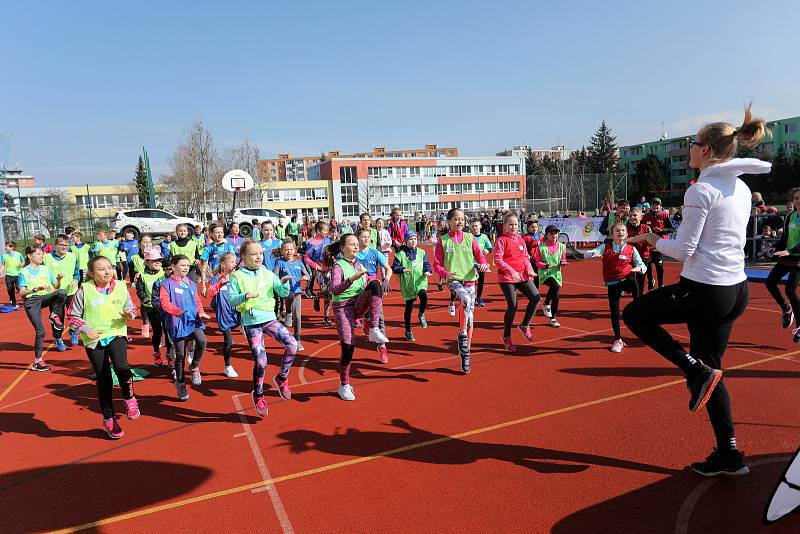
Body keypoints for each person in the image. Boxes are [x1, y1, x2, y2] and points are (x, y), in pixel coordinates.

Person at [623, 105, 770, 476]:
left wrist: (654, 239)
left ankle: (692, 369)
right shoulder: (739, 186)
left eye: (693, 143)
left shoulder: (701, 190)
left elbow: (684, 250)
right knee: (713, 369)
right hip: (735, 290)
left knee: (635, 314)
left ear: (706, 150)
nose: (688, 148)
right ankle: (729, 453)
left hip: (706, 289)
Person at [68, 255, 138, 439]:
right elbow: (72, 316)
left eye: (109, 267)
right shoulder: (85, 290)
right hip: (94, 339)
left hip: (116, 332)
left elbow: (132, 308)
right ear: (91, 273)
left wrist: (130, 315)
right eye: (101, 269)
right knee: (104, 378)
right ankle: (109, 419)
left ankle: (130, 398)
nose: (107, 271)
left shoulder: (121, 287)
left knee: (122, 368)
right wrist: (86, 328)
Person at [227, 240, 296, 417]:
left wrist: (285, 283)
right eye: (253, 254)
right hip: (251, 323)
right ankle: (258, 394)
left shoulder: (267, 273)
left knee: (292, 345)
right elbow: (231, 300)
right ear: (243, 257)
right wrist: (244, 296)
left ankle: (282, 378)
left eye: (260, 253)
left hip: (269, 319)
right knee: (261, 361)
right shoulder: (237, 276)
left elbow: (281, 292)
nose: (258, 256)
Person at [326, 234, 390, 400]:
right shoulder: (338, 266)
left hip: (357, 303)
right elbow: (334, 289)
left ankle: (374, 329)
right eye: (352, 244)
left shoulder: (359, 264)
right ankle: (344, 384)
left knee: (375, 284)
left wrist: (369, 288)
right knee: (348, 347)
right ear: (342, 248)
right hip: (342, 308)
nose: (355, 247)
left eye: (357, 244)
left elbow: (366, 286)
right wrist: (350, 279)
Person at [433, 208, 490, 374]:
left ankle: (466, 354)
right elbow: (437, 264)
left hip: (470, 279)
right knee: (465, 299)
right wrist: (445, 273)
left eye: (462, 219)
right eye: (456, 219)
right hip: (454, 281)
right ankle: (462, 335)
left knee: (471, 318)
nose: (460, 222)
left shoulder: (469, 237)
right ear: (449, 221)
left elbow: (480, 256)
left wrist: (484, 264)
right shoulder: (443, 240)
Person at [585, 221, 645, 352]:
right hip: (613, 282)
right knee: (614, 312)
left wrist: (638, 268)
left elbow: (642, 265)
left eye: (623, 230)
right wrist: (592, 254)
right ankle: (618, 340)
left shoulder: (631, 249)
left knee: (632, 280)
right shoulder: (605, 247)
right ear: (612, 235)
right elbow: (587, 253)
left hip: (628, 280)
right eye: (617, 231)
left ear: (627, 234)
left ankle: (639, 309)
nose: (620, 233)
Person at [160, 254, 210, 401]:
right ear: (174, 266)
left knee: (202, 341)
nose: (186, 268)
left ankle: (194, 366)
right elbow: (164, 302)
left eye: (187, 265)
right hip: (177, 323)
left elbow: (197, 300)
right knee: (180, 355)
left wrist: (201, 312)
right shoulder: (166, 284)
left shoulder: (191, 283)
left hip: (193, 320)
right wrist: (176, 311)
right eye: (182, 265)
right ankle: (181, 383)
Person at [494, 213, 540, 353]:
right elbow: (498, 260)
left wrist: (530, 270)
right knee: (513, 306)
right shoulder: (501, 240)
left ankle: (524, 325)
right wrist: (511, 271)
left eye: (515, 224)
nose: (513, 227)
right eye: (510, 224)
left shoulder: (520, 240)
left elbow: (526, 258)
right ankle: (507, 337)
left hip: (522, 276)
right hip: (507, 278)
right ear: (505, 225)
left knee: (536, 297)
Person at [18, 245, 67, 371]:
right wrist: (34, 289)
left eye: (42, 254)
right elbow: (22, 293)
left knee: (62, 292)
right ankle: (37, 361)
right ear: (29, 256)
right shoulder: (23, 272)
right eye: (38, 254)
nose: (41, 256)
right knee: (41, 331)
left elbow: (55, 286)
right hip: (32, 300)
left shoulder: (45, 269)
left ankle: (54, 315)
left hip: (45, 297)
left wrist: (58, 279)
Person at [765, 187, 800, 341]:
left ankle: (799, 327)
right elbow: (785, 238)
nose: (798, 201)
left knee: (790, 289)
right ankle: (786, 309)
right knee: (770, 282)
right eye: (796, 198)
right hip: (788, 256)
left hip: (798, 258)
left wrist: (791, 251)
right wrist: (775, 249)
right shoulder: (791, 216)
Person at [355, 228, 392, 363]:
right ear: (357, 238)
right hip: (358, 287)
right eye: (363, 237)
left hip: (374, 287)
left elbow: (388, 268)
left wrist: (386, 279)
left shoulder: (375, 253)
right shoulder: (353, 254)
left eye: (368, 237)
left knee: (380, 317)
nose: (366, 239)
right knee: (358, 310)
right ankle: (366, 318)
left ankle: (382, 346)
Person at [204, 252, 240, 377]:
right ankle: (228, 366)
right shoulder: (217, 278)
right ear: (223, 264)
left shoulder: (237, 276)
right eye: (232, 262)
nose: (234, 264)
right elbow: (210, 293)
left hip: (237, 312)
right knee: (228, 340)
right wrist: (220, 284)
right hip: (224, 313)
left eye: (235, 262)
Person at [392, 231, 431, 342]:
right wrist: (402, 269)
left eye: (414, 238)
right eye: (410, 239)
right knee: (409, 307)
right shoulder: (399, 254)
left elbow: (426, 264)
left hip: (420, 281)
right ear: (406, 241)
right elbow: (395, 267)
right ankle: (408, 330)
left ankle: (421, 314)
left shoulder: (422, 252)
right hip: (408, 284)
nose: (413, 241)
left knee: (423, 295)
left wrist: (427, 271)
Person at [44, 234, 81, 349]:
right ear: (55, 245)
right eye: (61, 245)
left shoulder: (72, 256)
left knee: (75, 315)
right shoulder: (47, 258)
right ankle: (58, 338)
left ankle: (73, 331)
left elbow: (76, 273)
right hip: (55, 294)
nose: (64, 247)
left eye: (66, 245)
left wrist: (75, 280)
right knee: (57, 317)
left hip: (71, 292)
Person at [274, 239, 310, 352]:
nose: (288, 251)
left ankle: (298, 340)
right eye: (286, 250)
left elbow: (307, 275)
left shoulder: (299, 262)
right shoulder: (279, 262)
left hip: (297, 292)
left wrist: (304, 278)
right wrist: (282, 280)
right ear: (282, 251)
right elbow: (274, 277)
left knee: (298, 317)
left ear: (294, 250)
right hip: (285, 291)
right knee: (288, 297)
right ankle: (288, 311)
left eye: (291, 249)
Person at [135, 248, 169, 366]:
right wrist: (144, 298)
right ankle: (156, 352)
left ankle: (169, 354)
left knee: (168, 331)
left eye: (159, 260)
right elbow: (139, 291)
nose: (158, 262)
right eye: (154, 260)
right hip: (151, 308)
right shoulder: (142, 276)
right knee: (157, 331)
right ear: (147, 262)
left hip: (166, 308)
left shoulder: (164, 274)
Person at [533, 225, 567, 328]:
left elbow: (563, 259)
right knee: (555, 286)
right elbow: (537, 262)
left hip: (556, 273)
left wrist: (563, 263)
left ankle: (553, 318)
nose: (554, 235)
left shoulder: (562, 246)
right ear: (546, 235)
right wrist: (545, 265)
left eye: (555, 233)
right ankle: (547, 302)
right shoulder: (541, 247)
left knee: (556, 296)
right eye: (551, 233)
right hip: (545, 273)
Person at [642, 197, 674, 290]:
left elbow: (671, 229)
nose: (655, 206)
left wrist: (662, 230)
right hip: (648, 245)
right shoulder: (646, 216)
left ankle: (661, 285)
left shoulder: (664, 215)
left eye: (657, 204)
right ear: (650, 205)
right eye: (653, 204)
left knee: (659, 266)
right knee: (648, 265)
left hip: (660, 245)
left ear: (660, 206)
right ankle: (651, 282)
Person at [305, 221, 333, 325]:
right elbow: (307, 258)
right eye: (325, 230)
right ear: (318, 231)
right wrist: (316, 266)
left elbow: (331, 253)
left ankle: (326, 316)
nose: (327, 232)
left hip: (329, 269)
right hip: (319, 270)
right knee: (324, 289)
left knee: (329, 293)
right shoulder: (312, 243)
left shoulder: (328, 240)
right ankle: (317, 297)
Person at [626, 207, 652, 293]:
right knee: (630, 280)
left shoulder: (646, 228)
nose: (632, 217)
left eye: (634, 215)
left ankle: (639, 298)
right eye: (630, 216)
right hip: (629, 258)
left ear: (641, 217)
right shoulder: (625, 229)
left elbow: (652, 243)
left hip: (643, 257)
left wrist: (647, 242)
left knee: (641, 280)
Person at [470, 219, 493, 307]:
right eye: (472, 226)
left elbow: (490, 248)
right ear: (470, 228)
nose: (475, 228)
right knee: (471, 281)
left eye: (476, 226)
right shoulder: (468, 236)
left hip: (481, 263)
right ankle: (470, 297)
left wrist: (487, 251)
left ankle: (479, 297)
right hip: (470, 263)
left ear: (480, 226)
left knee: (481, 281)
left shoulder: (484, 237)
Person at [0, 240, 24, 309]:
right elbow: (2, 265)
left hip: (18, 275)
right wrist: (0, 271)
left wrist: (21, 265)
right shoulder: (4, 256)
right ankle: (14, 303)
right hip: (9, 275)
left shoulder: (18, 254)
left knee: (20, 289)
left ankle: (26, 300)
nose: (5, 247)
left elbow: (23, 261)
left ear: (12, 247)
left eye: (7, 246)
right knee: (10, 289)